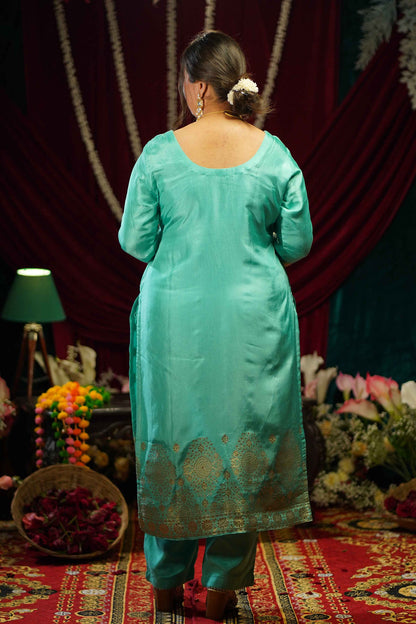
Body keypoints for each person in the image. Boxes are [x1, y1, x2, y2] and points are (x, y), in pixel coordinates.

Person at [119, 30, 313, 620]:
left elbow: (136, 242)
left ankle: (166, 588)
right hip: (253, 320)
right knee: (245, 439)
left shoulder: (159, 154)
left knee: (172, 436)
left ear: (200, 87)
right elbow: (297, 244)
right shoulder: (274, 154)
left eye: (184, 82)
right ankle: (222, 592)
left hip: (175, 320)